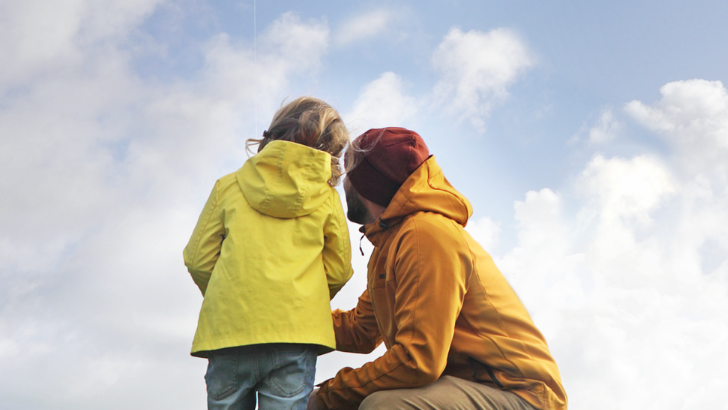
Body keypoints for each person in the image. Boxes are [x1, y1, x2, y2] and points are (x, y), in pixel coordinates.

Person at [309, 127, 565, 410]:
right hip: (473, 385)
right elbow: (361, 330)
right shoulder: (390, 244)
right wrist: (291, 321)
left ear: (367, 183)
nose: (342, 183)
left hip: (519, 393)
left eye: (348, 172)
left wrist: (324, 397)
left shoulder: (425, 234)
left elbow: (418, 360)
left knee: (386, 406)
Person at [185, 96, 355, 410]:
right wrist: (302, 299)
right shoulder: (328, 198)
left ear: (272, 134)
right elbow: (339, 270)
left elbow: (197, 260)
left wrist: (231, 294)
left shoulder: (228, 187)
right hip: (296, 333)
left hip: (229, 331)